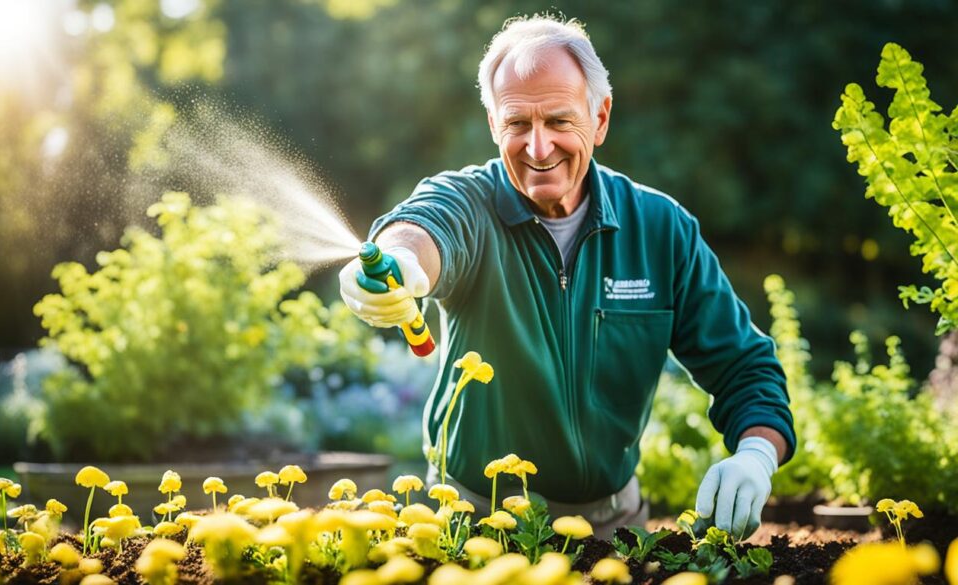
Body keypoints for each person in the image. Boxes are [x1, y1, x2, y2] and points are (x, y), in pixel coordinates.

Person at [339, 15, 794, 539]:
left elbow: (746, 367)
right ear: (493, 126)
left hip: (615, 528)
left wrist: (757, 455)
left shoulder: (659, 229)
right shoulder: (470, 204)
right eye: (516, 124)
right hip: (476, 529)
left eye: (558, 121)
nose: (537, 148)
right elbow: (423, 225)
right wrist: (403, 265)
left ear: (599, 118)